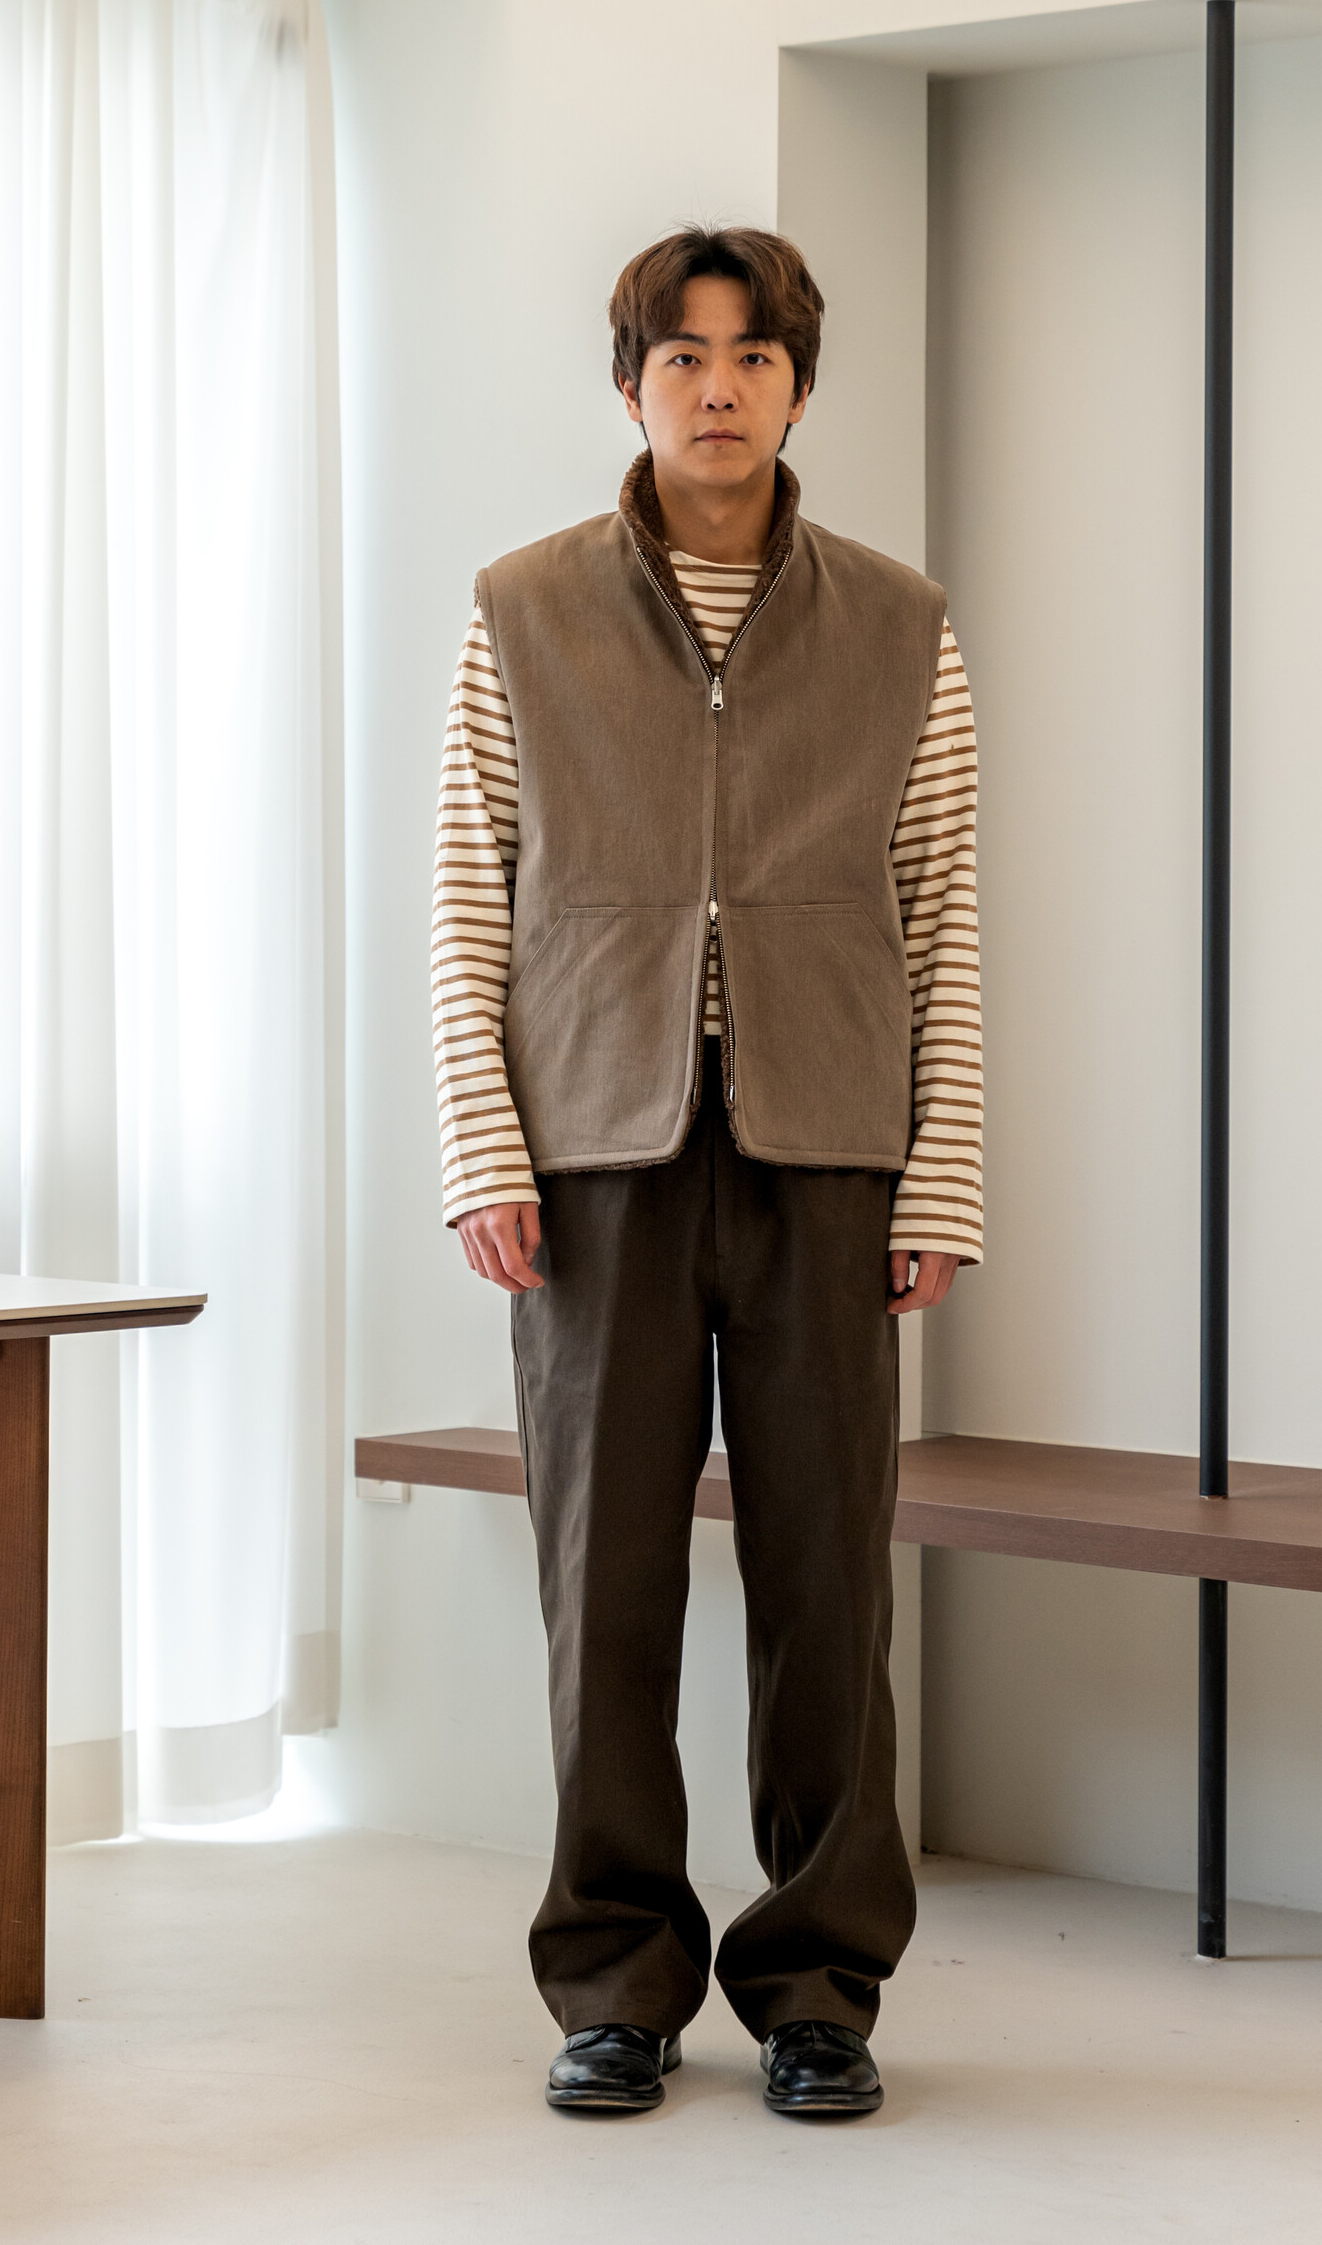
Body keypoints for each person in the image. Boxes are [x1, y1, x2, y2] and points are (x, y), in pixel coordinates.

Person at [431, 225, 982, 2120]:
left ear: (800, 387)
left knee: (831, 1586)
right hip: (596, 1162)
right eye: (683, 355)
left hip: (831, 1156)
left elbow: (942, 910)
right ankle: (615, 1978)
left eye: (754, 357)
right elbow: (469, 898)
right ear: (631, 383)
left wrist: (941, 1173)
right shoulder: (523, 611)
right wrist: (484, 1145)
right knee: (605, 1589)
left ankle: (819, 1984)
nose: (719, 386)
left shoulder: (902, 623)